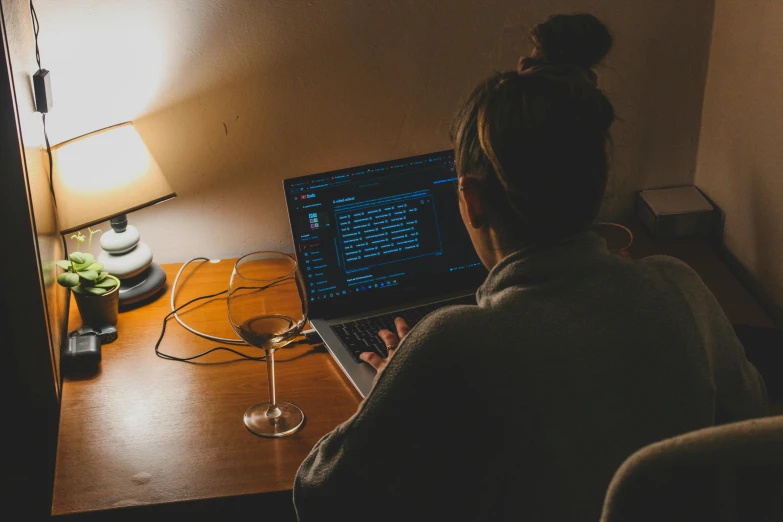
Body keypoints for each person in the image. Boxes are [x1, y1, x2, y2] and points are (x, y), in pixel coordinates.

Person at [293, 13, 767, 522]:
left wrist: (388, 390)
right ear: (597, 182)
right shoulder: (680, 287)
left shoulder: (453, 342)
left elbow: (320, 495)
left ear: (470, 199)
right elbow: (752, 433)